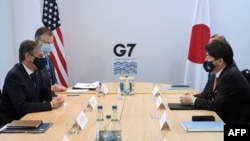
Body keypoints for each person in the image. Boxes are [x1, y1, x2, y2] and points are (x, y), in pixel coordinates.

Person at [180, 40, 250, 125]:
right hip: (221, 117)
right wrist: (191, 97)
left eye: (208, 57)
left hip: (235, 125)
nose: (205, 60)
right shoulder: (217, 70)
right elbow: (208, 94)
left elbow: (217, 106)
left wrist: (193, 101)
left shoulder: (230, 75)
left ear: (220, 61)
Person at [0, 40, 64, 126]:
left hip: (32, 117)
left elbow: (44, 91)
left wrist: (54, 97)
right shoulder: (14, 76)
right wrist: (51, 105)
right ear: (28, 56)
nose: (44, 58)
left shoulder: (37, 70)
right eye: (40, 56)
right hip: (15, 122)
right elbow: (22, 107)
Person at [35, 27, 67, 92]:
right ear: (36, 42)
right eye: (47, 43)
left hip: (53, 96)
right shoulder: (32, 61)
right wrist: (49, 89)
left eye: (51, 43)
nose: (49, 46)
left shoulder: (49, 58)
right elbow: (34, 87)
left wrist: (56, 86)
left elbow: (54, 80)